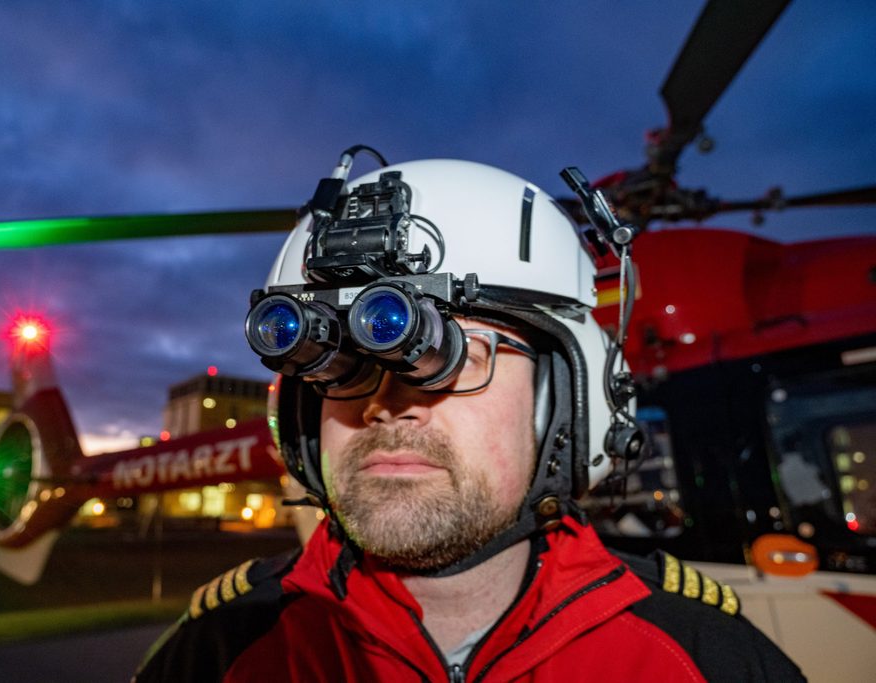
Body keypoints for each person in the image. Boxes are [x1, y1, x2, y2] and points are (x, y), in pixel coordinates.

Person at [134, 150, 803, 681]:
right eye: (342, 363)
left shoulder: (707, 661)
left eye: (449, 352)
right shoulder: (220, 653)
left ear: (566, 401)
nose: (385, 404)